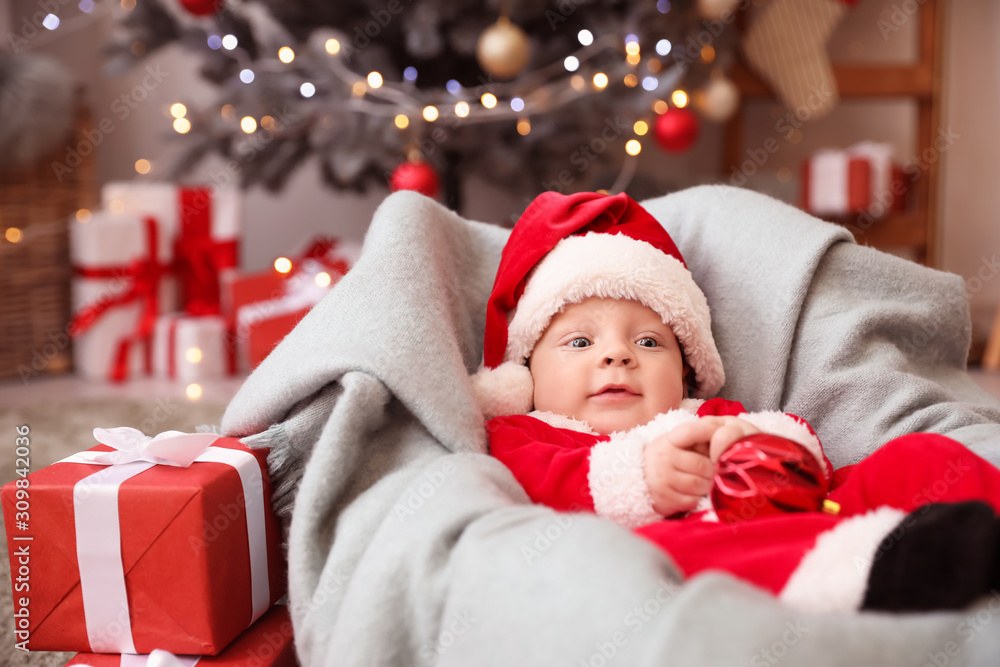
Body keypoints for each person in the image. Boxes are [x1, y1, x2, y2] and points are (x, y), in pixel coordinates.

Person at [472, 190, 1000, 613]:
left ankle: (973, 529)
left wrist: (764, 445)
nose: (617, 356)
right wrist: (640, 479)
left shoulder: (702, 416)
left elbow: (796, 437)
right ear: (525, 374)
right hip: (696, 543)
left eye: (649, 342)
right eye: (580, 343)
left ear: (685, 372)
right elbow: (539, 488)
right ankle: (878, 565)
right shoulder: (525, 431)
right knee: (662, 558)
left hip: (797, 506)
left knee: (921, 457)